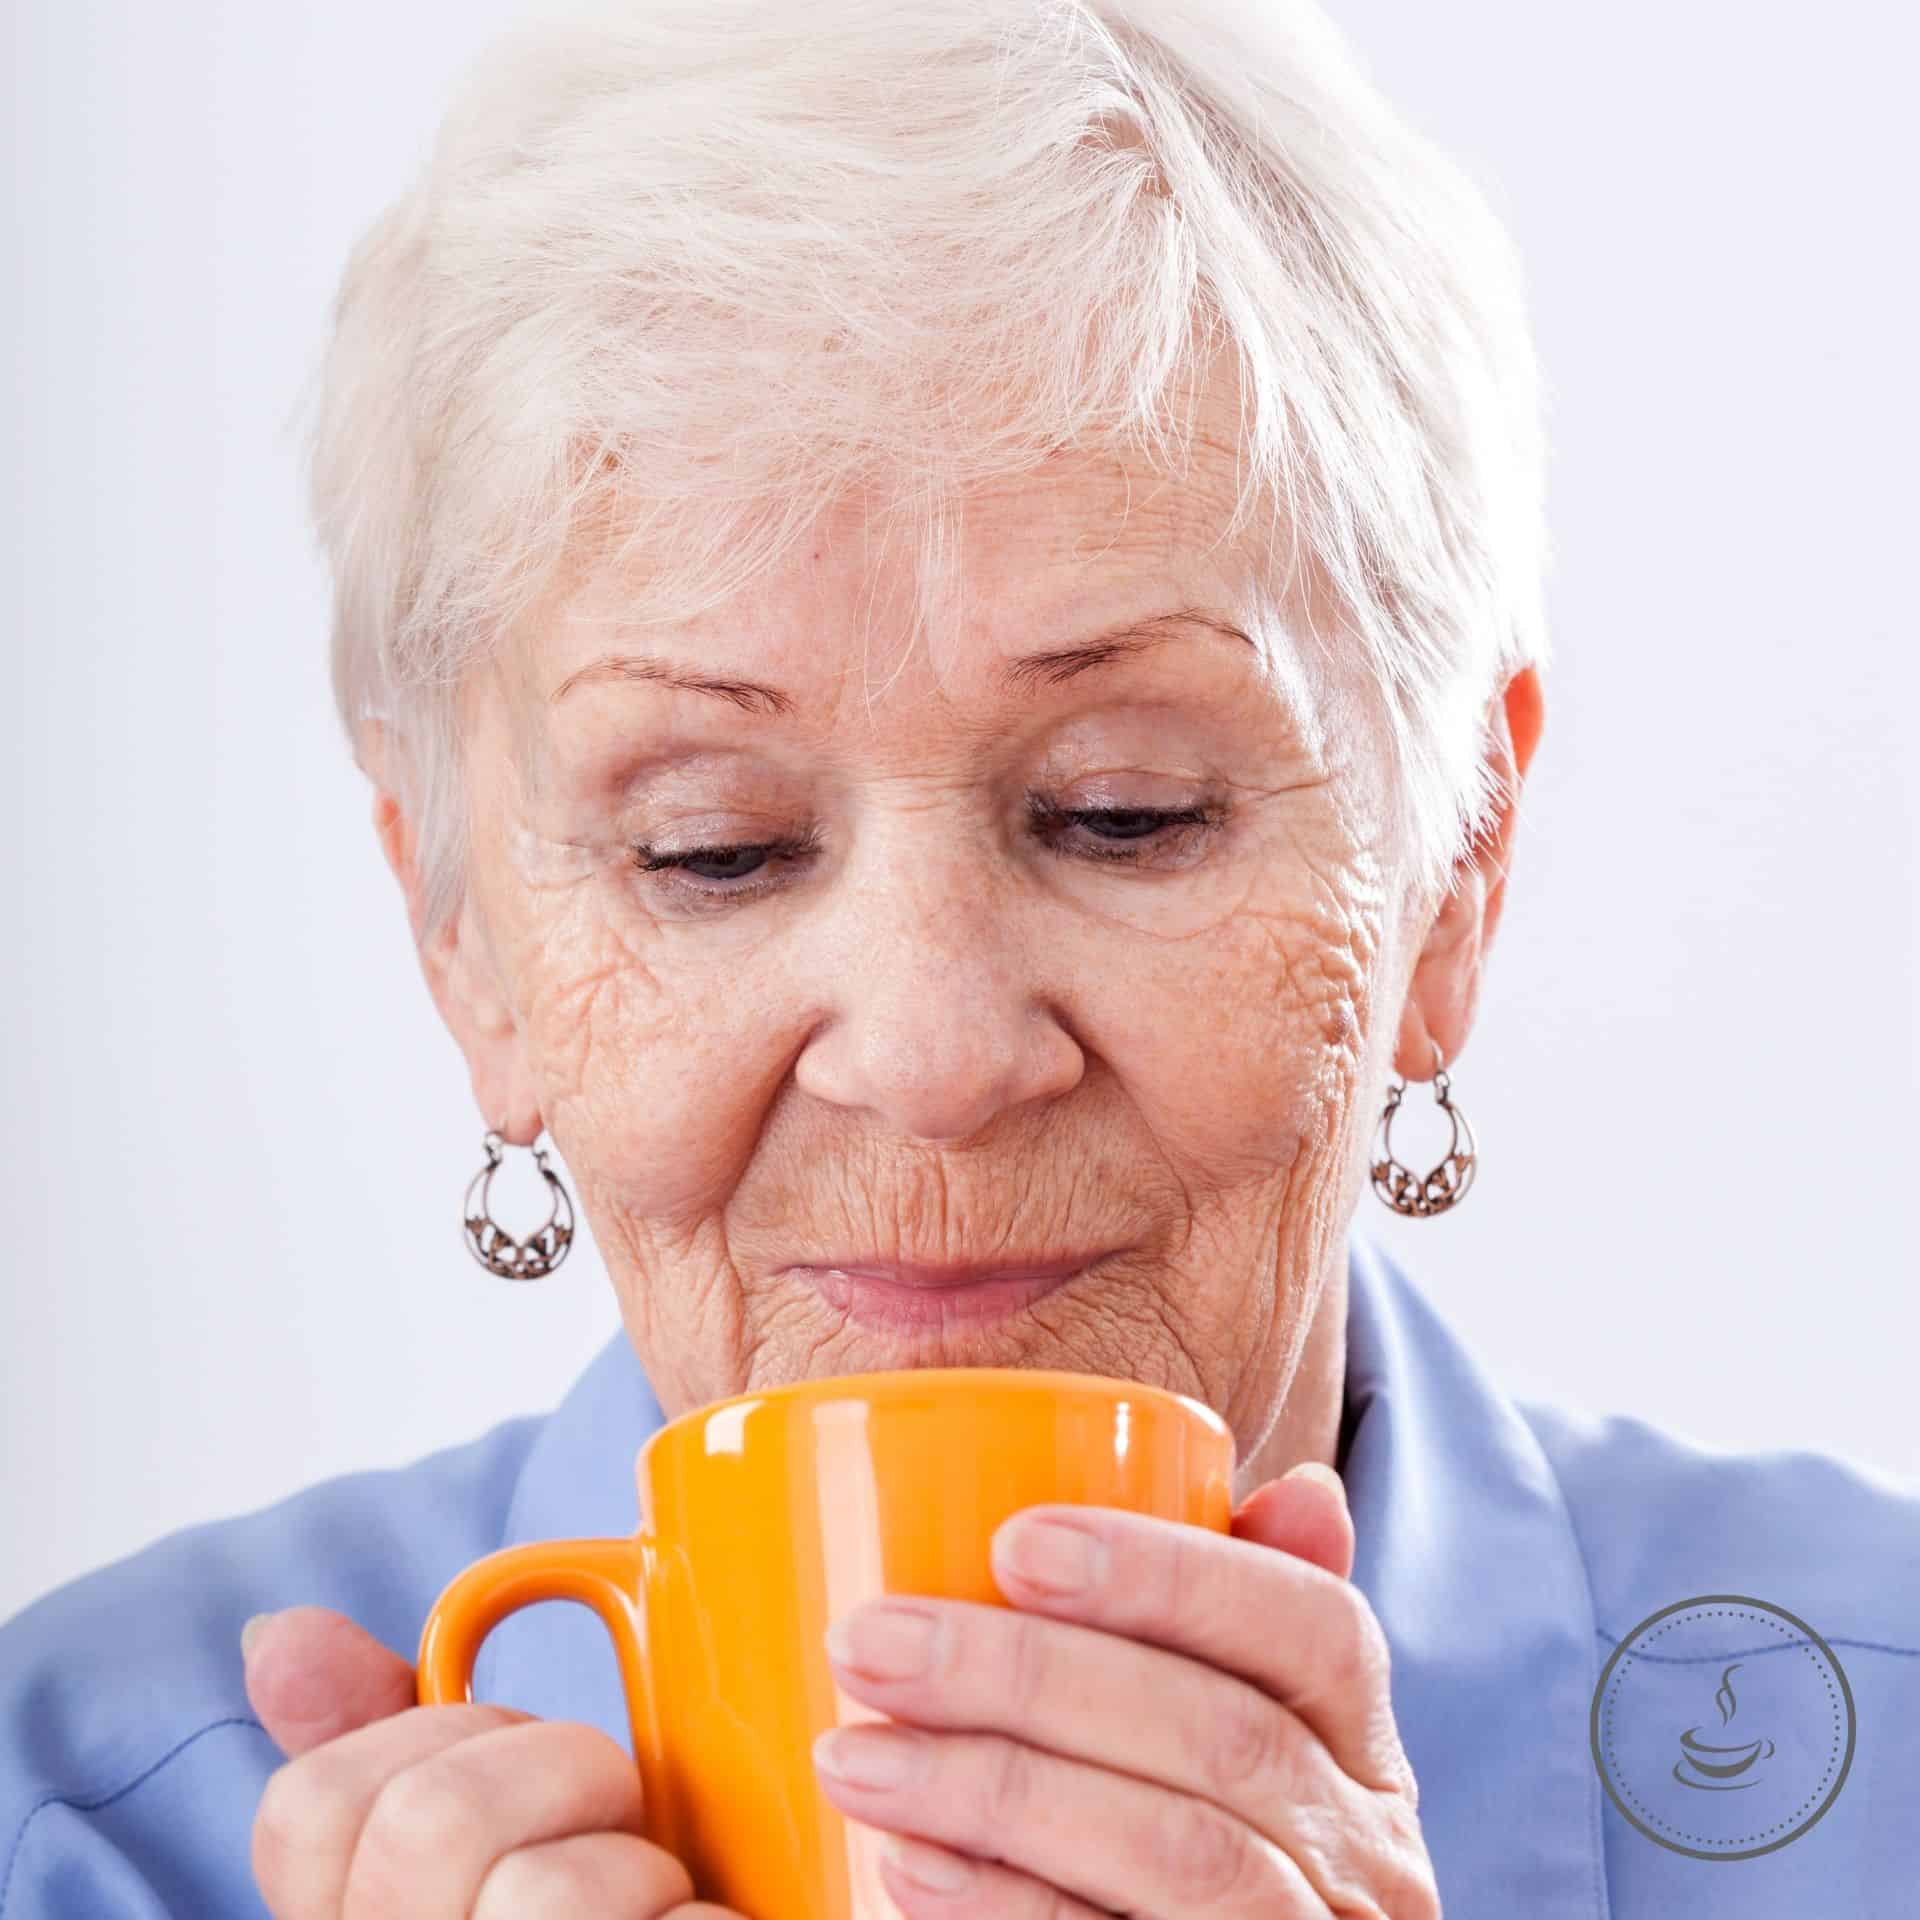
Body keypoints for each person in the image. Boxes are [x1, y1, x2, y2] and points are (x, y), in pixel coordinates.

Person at [5, 0, 1915, 1913]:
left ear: (1456, 870)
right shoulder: (77, 1825)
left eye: (1125, 815)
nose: (930, 1051)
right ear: (468, 949)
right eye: (716, 849)